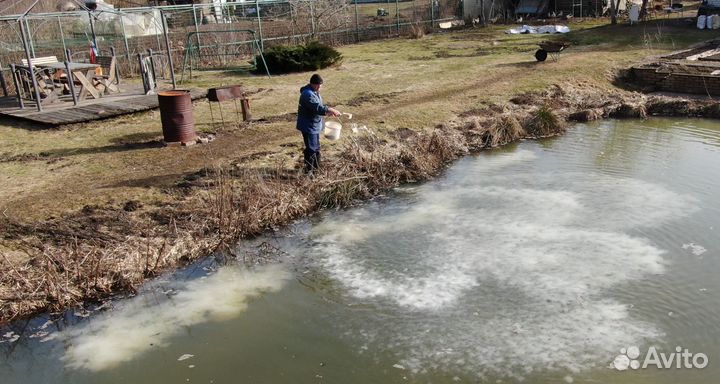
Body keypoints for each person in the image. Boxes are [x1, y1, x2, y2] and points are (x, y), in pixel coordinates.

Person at [296, 74, 341, 174]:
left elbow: (319, 107)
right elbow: (317, 107)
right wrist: (331, 109)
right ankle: (310, 171)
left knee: (316, 147)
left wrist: (327, 112)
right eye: (319, 85)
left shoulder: (315, 92)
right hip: (308, 126)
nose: (320, 87)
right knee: (312, 149)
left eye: (321, 85)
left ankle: (317, 168)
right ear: (313, 84)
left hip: (314, 125)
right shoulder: (307, 94)